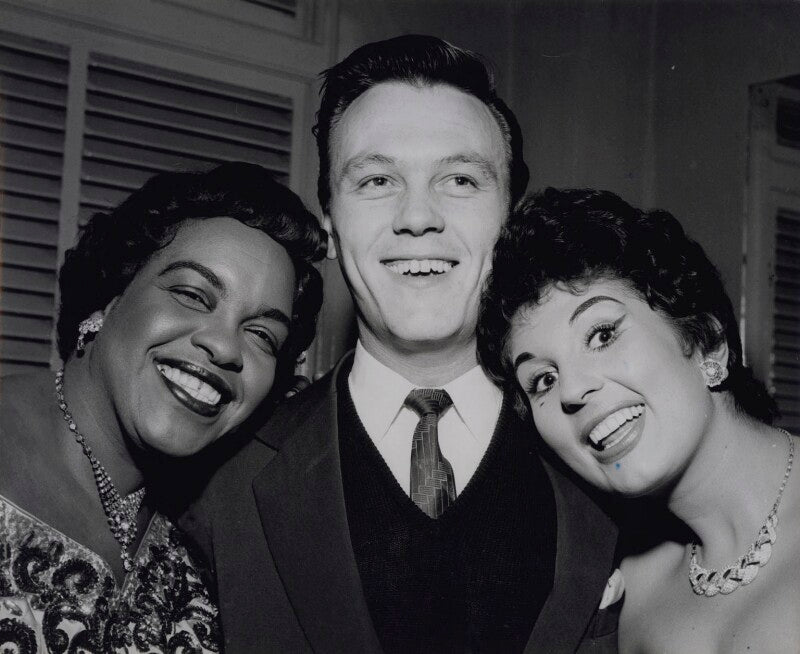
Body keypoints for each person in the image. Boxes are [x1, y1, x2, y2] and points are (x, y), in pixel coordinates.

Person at [182, 36, 618, 653]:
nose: (417, 217)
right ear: (330, 221)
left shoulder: (615, 455)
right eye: (377, 179)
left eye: (460, 179)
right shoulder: (217, 479)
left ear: (511, 218)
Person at [0, 162, 325, 653]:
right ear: (110, 296)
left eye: (262, 334)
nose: (225, 347)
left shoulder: (217, 523)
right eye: (192, 295)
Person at [477, 187, 800, 653]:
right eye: (543, 380)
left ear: (705, 341)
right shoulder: (628, 597)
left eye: (602, 335)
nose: (571, 390)